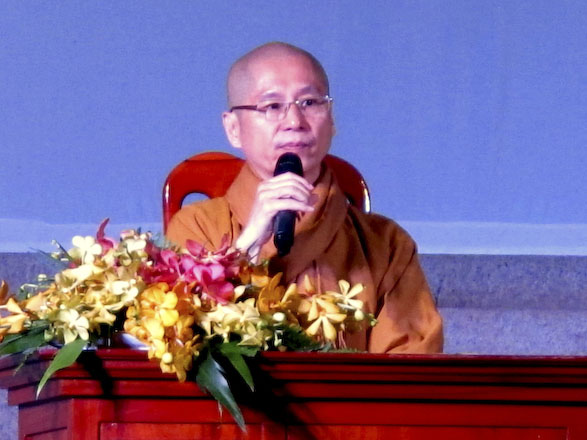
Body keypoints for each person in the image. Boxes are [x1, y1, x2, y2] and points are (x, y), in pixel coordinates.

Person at [167, 42, 443, 353]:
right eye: (272, 106)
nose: (294, 121)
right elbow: (183, 344)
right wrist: (248, 247)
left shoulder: (385, 243)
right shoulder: (196, 227)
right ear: (233, 128)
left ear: (332, 119)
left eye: (310, 102)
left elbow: (413, 363)